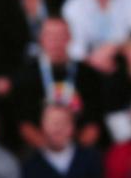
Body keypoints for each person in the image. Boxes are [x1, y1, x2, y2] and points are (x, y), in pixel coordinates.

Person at [12, 18, 105, 151]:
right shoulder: (26, 76)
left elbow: (94, 124)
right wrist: (51, 153)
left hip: (79, 150)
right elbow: (24, 125)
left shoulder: (88, 75)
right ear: (41, 39)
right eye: (50, 35)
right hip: (41, 151)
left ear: (70, 38)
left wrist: (74, 154)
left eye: (61, 35)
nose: (55, 41)